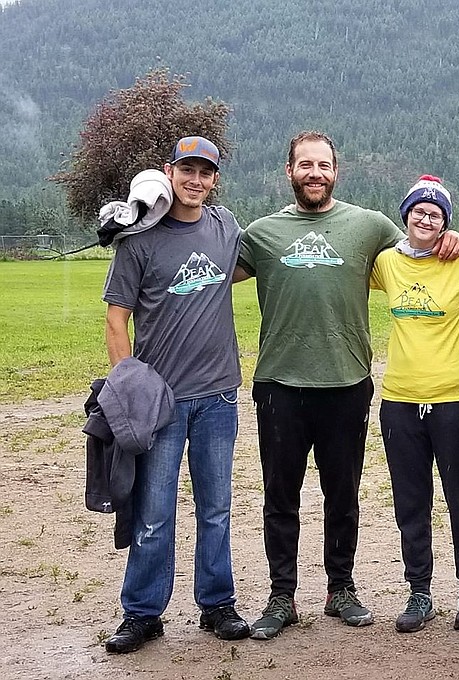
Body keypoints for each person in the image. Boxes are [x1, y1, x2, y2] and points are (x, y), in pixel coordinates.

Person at [235, 131, 459, 640]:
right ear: (289, 171)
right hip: (279, 383)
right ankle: (281, 596)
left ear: (336, 171)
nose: (315, 173)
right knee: (280, 495)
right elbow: (207, 269)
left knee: (342, 493)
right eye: (305, 165)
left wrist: (452, 236)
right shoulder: (262, 233)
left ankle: (341, 588)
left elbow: (418, 242)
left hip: (347, 382)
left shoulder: (368, 226)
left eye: (324, 165)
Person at [101, 136, 251, 652]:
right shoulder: (138, 239)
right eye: (186, 170)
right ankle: (143, 613)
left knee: (217, 507)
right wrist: (128, 385)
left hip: (218, 397)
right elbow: (116, 315)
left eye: (205, 172)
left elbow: (254, 264)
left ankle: (217, 603)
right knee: (153, 509)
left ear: (214, 179)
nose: (196, 180)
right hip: (159, 400)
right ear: (169, 173)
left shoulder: (225, 226)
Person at [369, 175, 459, 633]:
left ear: (446, 223)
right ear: (405, 216)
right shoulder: (385, 263)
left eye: (436, 213)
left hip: (455, 400)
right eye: (419, 211)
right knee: (411, 501)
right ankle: (419, 591)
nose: (426, 218)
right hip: (400, 400)